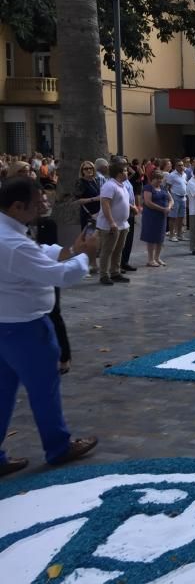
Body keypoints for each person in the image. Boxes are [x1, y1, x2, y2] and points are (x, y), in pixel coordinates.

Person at [0, 177, 99, 476]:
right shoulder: (12, 242)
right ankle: (58, 446)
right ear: (18, 206)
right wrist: (85, 256)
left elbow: (39, 254)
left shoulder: (9, 233)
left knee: (3, 394)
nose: (44, 203)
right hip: (27, 328)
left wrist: (70, 249)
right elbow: (59, 276)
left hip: (5, 325)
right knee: (45, 390)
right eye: (38, 200)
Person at [34, 190, 73, 374]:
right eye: (41, 201)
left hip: (47, 272)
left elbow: (52, 252)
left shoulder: (48, 224)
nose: (46, 205)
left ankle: (64, 356)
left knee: (54, 313)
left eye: (46, 201)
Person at [96, 160, 132, 286]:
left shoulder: (121, 185)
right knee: (107, 250)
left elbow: (121, 201)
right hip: (111, 225)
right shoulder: (109, 186)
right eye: (125, 170)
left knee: (118, 249)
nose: (128, 172)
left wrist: (131, 207)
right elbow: (105, 204)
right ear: (119, 173)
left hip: (122, 224)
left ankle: (115, 272)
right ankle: (104, 275)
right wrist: (111, 222)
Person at [75, 160, 102, 274]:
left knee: (96, 240)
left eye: (91, 168)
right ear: (82, 171)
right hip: (88, 215)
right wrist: (94, 199)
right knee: (89, 240)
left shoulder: (96, 180)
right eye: (86, 169)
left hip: (99, 214)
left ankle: (94, 263)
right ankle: (89, 264)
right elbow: (77, 201)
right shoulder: (80, 182)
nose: (89, 170)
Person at [141, 170, 172, 267]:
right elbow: (148, 202)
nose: (159, 181)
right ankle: (150, 259)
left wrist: (168, 208)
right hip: (151, 215)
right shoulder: (148, 188)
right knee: (151, 237)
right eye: (157, 178)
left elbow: (171, 199)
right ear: (152, 179)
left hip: (162, 216)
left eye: (161, 179)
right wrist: (163, 209)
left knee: (160, 237)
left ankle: (157, 257)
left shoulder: (163, 188)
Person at [165, 160, 188, 242]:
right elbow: (167, 188)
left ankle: (179, 234)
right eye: (179, 165)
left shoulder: (184, 174)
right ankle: (171, 235)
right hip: (175, 197)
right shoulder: (172, 175)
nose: (181, 167)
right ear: (175, 166)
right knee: (173, 217)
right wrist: (170, 198)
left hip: (183, 197)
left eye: (182, 165)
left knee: (181, 217)